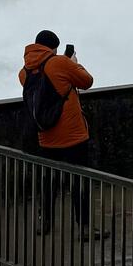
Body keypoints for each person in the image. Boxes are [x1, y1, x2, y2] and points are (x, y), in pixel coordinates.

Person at [19, 28, 94, 230]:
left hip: (45, 136)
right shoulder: (60, 63)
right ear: (53, 48)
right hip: (73, 135)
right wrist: (74, 63)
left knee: (48, 181)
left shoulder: (24, 72)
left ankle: (46, 223)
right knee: (79, 180)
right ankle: (85, 227)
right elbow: (87, 81)